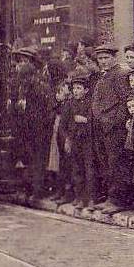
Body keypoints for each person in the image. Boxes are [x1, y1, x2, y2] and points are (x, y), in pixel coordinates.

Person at [8, 47, 54, 201]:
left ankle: (37, 190)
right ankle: (28, 189)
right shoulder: (21, 83)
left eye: (23, 61)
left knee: (38, 159)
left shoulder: (39, 84)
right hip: (25, 128)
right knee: (27, 158)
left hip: (38, 128)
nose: (19, 65)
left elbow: (47, 108)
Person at [90, 43, 130, 215]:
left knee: (116, 164)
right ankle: (110, 197)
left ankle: (118, 200)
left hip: (114, 129)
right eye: (100, 59)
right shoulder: (103, 76)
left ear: (114, 58)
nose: (103, 61)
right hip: (102, 127)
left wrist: (114, 122)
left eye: (106, 58)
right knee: (106, 163)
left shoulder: (120, 75)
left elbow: (124, 102)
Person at [62, 66, 96, 209]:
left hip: (88, 142)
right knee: (77, 170)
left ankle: (90, 199)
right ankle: (79, 197)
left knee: (89, 170)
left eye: (79, 88)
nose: (76, 91)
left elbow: (94, 121)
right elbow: (63, 125)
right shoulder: (69, 104)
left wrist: (86, 120)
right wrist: (68, 139)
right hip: (74, 140)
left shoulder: (90, 103)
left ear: (86, 90)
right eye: (74, 88)